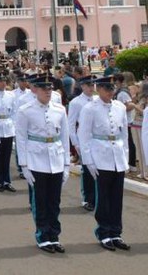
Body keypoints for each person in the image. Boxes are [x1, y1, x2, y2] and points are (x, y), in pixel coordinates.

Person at [16, 74, 71, 253]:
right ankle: (43, 235)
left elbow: (64, 137)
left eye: (49, 88)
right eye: (43, 88)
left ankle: (54, 235)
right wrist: (24, 165)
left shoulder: (59, 109)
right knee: (40, 200)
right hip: (36, 159)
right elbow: (22, 138)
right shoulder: (25, 110)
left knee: (54, 200)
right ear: (35, 90)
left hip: (55, 158)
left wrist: (66, 164)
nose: (48, 91)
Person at [78, 76, 130, 251]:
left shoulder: (120, 107)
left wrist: (126, 156)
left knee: (117, 198)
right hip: (100, 156)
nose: (110, 91)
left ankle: (116, 232)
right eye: (106, 88)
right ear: (98, 89)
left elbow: (124, 134)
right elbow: (83, 136)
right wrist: (88, 161)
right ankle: (104, 232)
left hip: (117, 156)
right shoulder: (89, 108)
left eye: (112, 88)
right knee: (103, 198)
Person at [68, 75, 96, 211]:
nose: (91, 88)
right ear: (82, 86)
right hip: (83, 138)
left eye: (93, 85)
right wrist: (75, 143)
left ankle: (98, 197)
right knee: (87, 170)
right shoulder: (76, 102)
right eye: (88, 85)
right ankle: (88, 199)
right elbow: (71, 124)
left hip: (97, 139)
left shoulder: (97, 100)